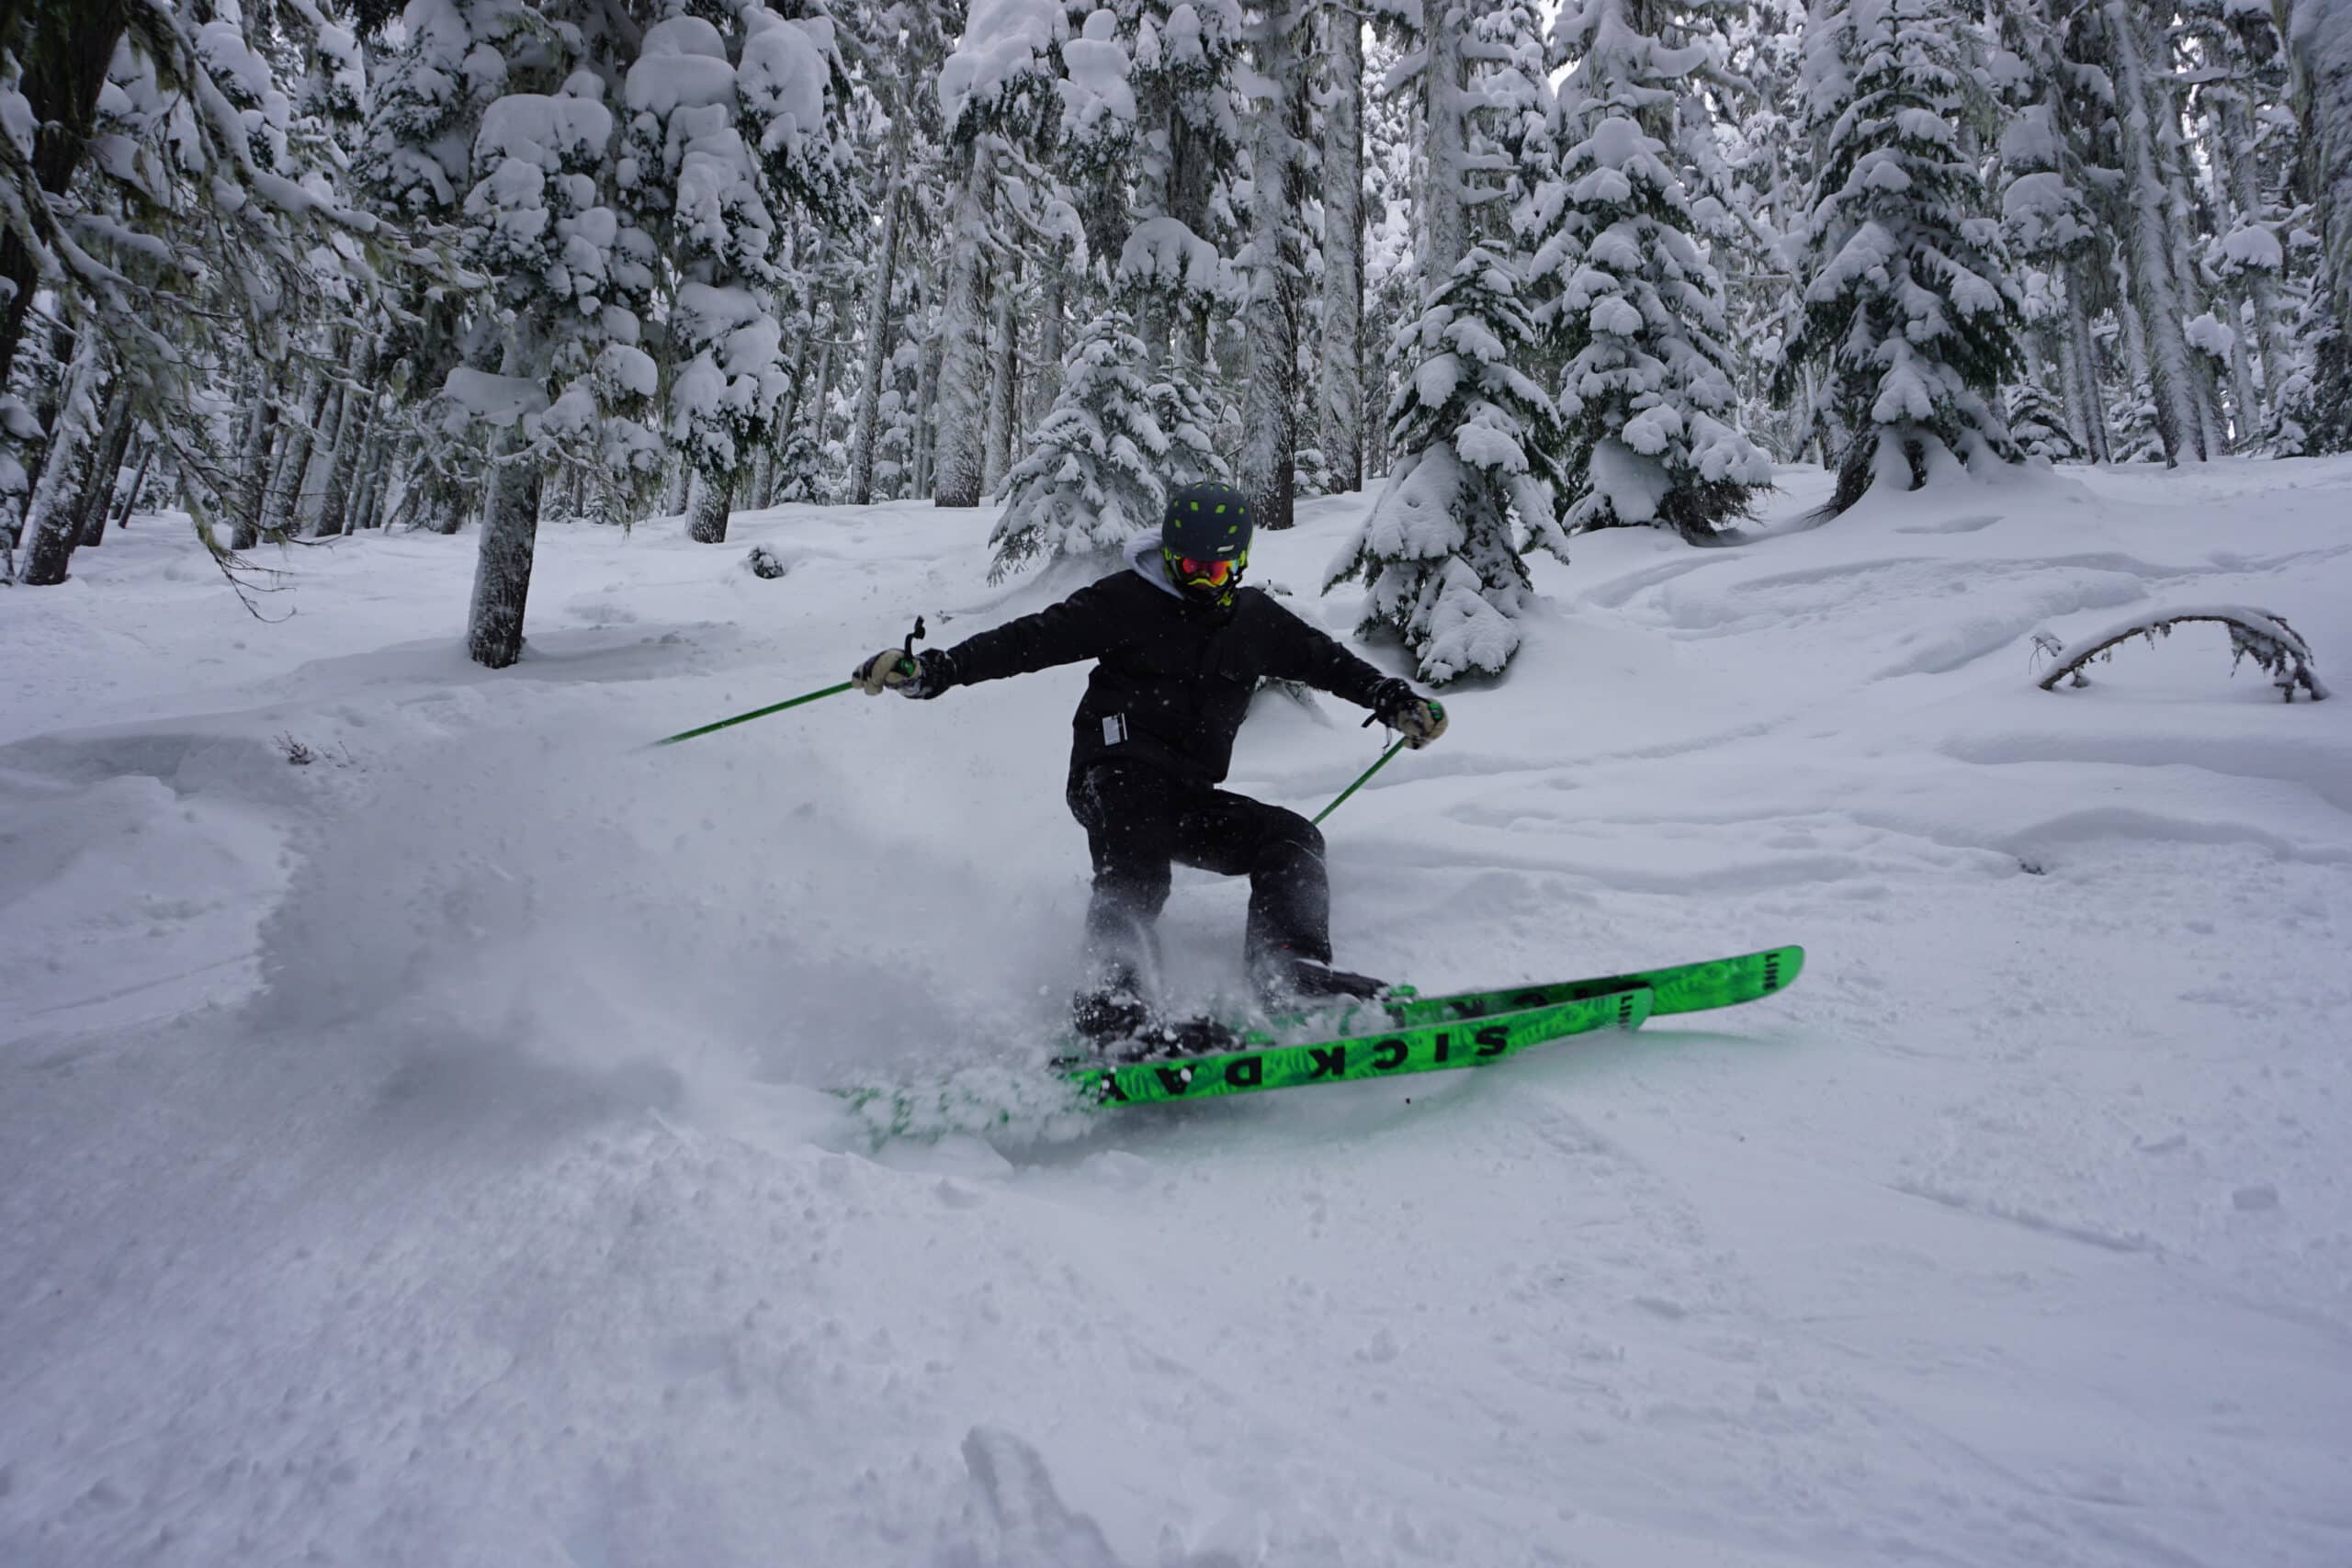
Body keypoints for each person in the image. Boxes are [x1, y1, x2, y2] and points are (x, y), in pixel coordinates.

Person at [851, 481, 1447, 1043]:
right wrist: (936, 669)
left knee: (1290, 839)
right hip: (1110, 775)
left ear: (1239, 562)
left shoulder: (1255, 620)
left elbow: (1330, 662)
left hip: (1186, 795)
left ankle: (1291, 974)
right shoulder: (1127, 601)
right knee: (1136, 854)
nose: (1199, 581)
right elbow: (1029, 639)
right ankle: (1111, 1002)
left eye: (1214, 570)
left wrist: (1391, 698)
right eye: (1187, 567)